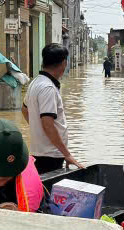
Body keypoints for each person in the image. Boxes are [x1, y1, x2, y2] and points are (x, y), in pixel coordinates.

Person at [23, 42, 83, 173]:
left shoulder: (36, 82)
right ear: (63, 63)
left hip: (40, 151)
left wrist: (36, 127)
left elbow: (25, 109)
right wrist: (67, 154)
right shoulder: (48, 88)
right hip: (50, 154)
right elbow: (48, 124)